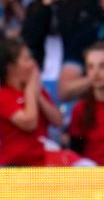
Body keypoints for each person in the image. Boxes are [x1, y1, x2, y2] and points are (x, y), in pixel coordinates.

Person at [0, 38, 63, 166]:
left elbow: (58, 121)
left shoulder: (37, 91)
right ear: (12, 67)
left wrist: (37, 94)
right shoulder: (3, 95)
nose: (33, 63)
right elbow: (29, 122)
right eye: (27, 59)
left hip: (43, 160)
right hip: (16, 164)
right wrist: (30, 92)